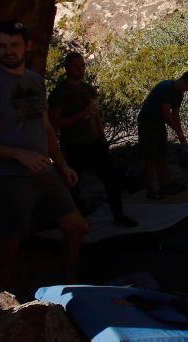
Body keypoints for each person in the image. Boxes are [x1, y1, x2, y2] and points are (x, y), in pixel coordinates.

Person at [0, 21, 88, 289]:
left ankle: (70, 281)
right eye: (2, 46)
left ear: (27, 46)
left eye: (14, 45)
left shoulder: (35, 81)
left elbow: (46, 126)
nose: (8, 51)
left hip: (42, 169)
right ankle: (4, 296)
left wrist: (62, 164)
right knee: (10, 241)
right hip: (7, 175)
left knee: (76, 227)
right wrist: (17, 154)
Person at [48, 52, 137, 227]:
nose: (81, 69)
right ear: (67, 68)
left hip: (96, 143)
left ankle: (119, 216)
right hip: (74, 145)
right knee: (73, 184)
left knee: (111, 179)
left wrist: (102, 136)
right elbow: (53, 123)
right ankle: (71, 221)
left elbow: (96, 115)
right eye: (76, 66)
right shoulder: (60, 93)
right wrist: (81, 115)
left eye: (82, 65)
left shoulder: (88, 89)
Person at [137, 71, 188, 199]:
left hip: (158, 124)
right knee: (150, 156)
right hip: (147, 123)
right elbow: (166, 114)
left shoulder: (179, 94)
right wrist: (178, 133)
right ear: (184, 81)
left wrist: (181, 133)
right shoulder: (165, 87)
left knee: (161, 154)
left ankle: (164, 185)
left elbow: (175, 115)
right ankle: (151, 189)